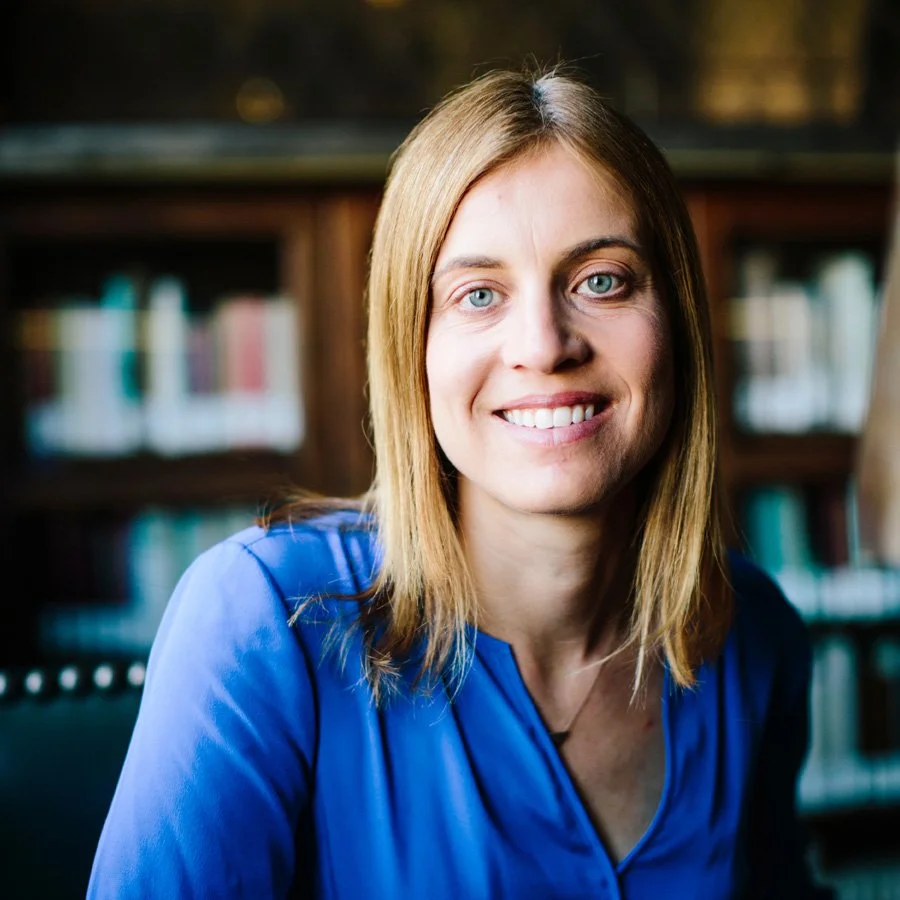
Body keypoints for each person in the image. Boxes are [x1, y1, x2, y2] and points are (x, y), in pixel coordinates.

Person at [88, 67, 831, 899]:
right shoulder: (262, 618)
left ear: (679, 325)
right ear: (413, 350)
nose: (545, 345)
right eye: (478, 294)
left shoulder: (755, 633)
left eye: (602, 280)